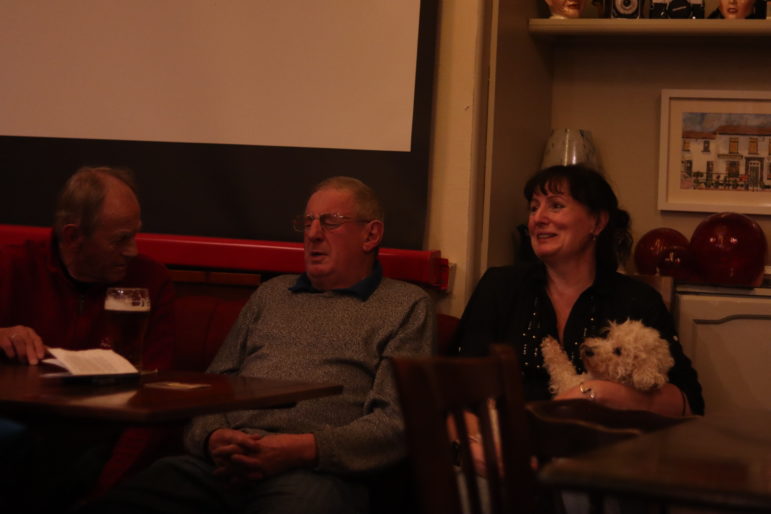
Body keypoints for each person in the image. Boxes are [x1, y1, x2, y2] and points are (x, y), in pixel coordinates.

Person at [78, 176, 435, 514]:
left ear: (370, 235)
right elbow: (214, 386)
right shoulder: (271, 294)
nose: (312, 234)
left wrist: (302, 449)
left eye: (330, 222)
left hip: (316, 471)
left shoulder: (404, 305)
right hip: (221, 464)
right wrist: (213, 437)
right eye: (308, 222)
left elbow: (396, 422)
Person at [455, 165, 703, 417]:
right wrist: (479, 447)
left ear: (597, 222)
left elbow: (688, 402)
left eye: (556, 205)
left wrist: (599, 392)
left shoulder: (637, 300)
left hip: (604, 451)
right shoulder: (499, 286)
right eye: (533, 207)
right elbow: (455, 389)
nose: (538, 218)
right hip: (506, 448)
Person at [0, 166, 176, 513]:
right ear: (72, 236)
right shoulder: (13, 266)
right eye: (120, 239)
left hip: (102, 444)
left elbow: (154, 403)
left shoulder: (150, 280)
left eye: (135, 235)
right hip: (21, 436)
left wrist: (102, 493)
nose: (132, 250)